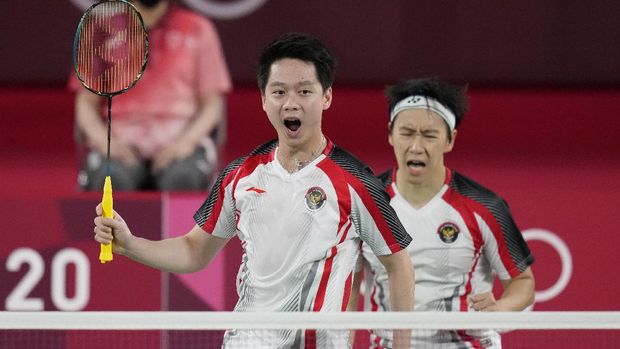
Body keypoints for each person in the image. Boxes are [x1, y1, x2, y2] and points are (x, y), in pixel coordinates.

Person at [94, 32, 414, 348]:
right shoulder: (240, 176)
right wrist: (131, 244)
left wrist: (401, 345)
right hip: (248, 342)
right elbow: (194, 251)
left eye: (304, 91)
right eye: (278, 92)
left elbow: (397, 263)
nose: (291, 103)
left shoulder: (355, 181)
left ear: (326, 97)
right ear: (263, 99)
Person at [350, 78, 535, 348]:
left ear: (450, 139)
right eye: (407, 132)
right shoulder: (363, 203)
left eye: (429, 135)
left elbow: (523, 282)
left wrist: (501, 308)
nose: (416, 146)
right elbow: (349, 288)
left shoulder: (484, 206)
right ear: (390, 133)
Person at [71, 0, 232, 191]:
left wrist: (186, 142)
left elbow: (212, 104)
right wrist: (105, 141)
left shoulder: (198, 28)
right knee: (112, 180)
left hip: (181, 143)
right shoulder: (100, 30)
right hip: (118, 144)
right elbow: (85, 103)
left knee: (182, 180)